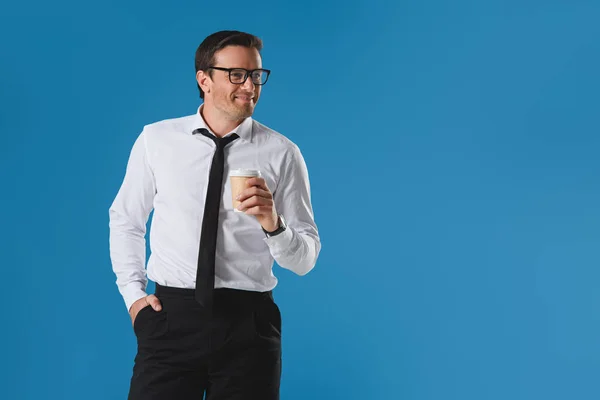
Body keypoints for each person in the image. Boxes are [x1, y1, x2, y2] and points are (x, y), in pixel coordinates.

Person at [108, 30, 321, 400]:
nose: (250, 86)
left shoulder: (282, 153)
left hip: (249, 325)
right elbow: (126, 220)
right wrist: (133, 297)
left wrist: (274, 225)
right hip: (171, 318)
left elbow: (305, 260)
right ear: (203, 79)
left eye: (256, 75)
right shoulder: (157, 141)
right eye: (236, 75)